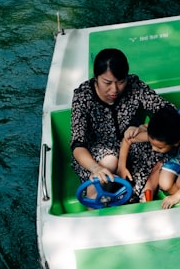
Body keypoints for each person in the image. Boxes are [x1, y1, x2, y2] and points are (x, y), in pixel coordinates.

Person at [70, 48, 172, 202]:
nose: (114, 90)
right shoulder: (83, 96)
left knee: (168, 146)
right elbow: (77, 144)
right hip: (98, 154)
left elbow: (168, 111)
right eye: (107, 82)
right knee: (109, 162)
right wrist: (96, 168)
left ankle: (147, 193)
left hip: (135, 147)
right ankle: (97, 198)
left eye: (121, 81)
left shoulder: (135, 86)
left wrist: (145, 127)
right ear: (96, 76)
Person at [118, 106, 180, 209]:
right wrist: (121, 166)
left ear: (175, 143)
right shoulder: (157, 136)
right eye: (151, 143)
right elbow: (128, 140)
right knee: (164, 184)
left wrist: (176, 196)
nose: (153, 149)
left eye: (159, 147)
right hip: (175, 154)